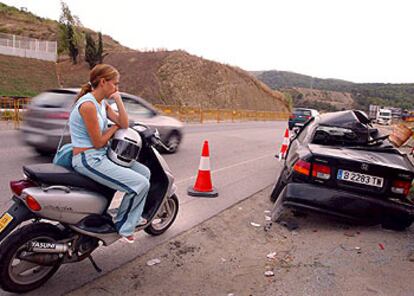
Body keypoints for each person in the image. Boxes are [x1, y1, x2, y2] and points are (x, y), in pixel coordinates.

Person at [69, 64, 151, 243]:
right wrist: (114, 128)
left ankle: (131, 216)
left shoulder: (102, 103)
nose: (116, 88)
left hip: (101, 154)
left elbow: (125, 124)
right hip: (88, 159)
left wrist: (118, 100)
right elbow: (98, 141)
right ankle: (124, 225)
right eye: (115, 84)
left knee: (145, 172)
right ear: (103, 82)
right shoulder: (88, 105)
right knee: (140, 184)